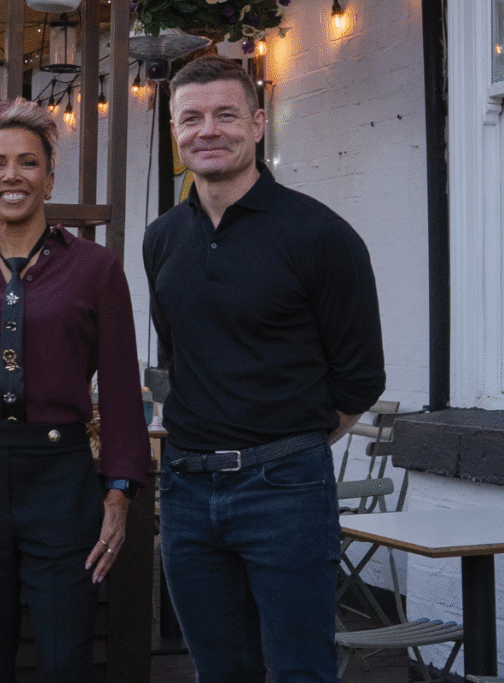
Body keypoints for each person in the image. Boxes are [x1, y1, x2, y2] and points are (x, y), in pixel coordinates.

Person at [143, 55, 386, 683]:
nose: (208, 130)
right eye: (191, 118)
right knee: (220, 672)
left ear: (257, 123)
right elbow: (179, 356)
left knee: (300, 671)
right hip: (187, 490)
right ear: (175, 131)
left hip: (285, 490)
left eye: (226, 115)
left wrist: (280, 446)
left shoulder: (320, 235)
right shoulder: (163, 238)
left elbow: (359, 380)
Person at [0, 98, 151, 682]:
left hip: (62, 477)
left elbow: (123, 389)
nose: (12, 176)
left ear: (49, 177)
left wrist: (119, 491)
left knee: (64, 656)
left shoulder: (97, 269)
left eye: (28, 163)